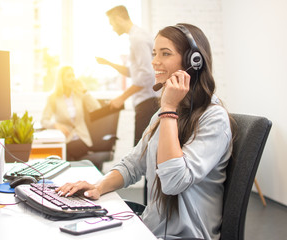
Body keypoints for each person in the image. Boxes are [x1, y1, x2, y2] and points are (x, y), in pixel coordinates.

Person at [55, 24, 236, 240]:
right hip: (151, 230)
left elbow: (173, 183)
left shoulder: (213, 119)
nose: (154, 62)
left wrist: (168, 108)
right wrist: (98, 186)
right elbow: (133, 164)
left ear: (193, 62)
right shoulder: (164, 114)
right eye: (154, 53)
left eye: (165, 53)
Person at [96, 5, 159, 146]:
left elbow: (147, 75)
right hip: (147, 101)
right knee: (142, 149)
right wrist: (109, 63)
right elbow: (134, 73)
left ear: (118, 19)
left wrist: (122, 97)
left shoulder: (138, 38)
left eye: (112, 23)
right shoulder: (138, 36)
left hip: (148, 101)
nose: (112, 27)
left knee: (140, 151)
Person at [41, 66, 101, 161]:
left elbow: (96, 108)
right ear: (62, 80)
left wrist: (85, 90)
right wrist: (55, 125)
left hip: (82, 139)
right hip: (66, 140)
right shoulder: (53, 98)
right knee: (63, 151)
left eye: (73, 75)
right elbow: (44, 120)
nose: (73, 79)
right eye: (69, 76)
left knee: (65, 153)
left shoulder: (79, 94)